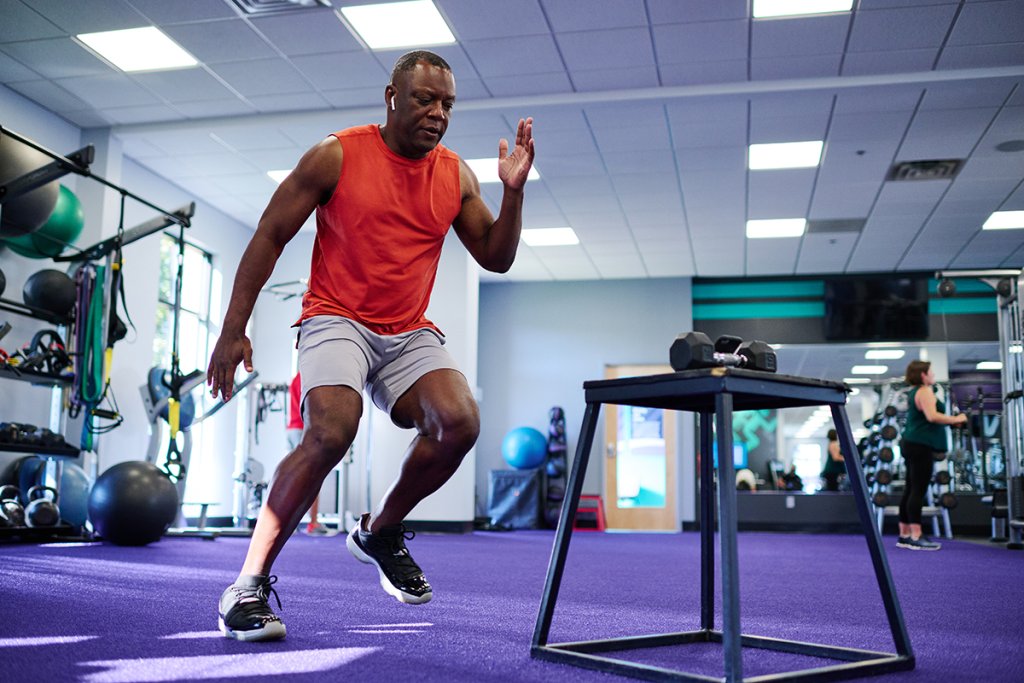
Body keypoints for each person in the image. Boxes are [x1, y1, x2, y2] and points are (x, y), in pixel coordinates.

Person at [206, 50, 535, 642]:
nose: (438, 114)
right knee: (333, 430)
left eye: (448, 105)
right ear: (391, 96)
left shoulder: (456, 174)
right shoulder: (337, 154)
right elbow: (270, 234)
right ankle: (246, 586)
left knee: (459, 423)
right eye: (425, 100)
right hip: (336, 316)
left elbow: (497, 256)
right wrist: (233, 329)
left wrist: (513, 192)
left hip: (407, 327)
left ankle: (379, 531)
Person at [896, 360, 967, 551]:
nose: (933, 375)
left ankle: (904, 535)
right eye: (930, 372)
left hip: (912, 443)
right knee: (918, 489)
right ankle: (916, 536)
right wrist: (956, 419)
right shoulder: (924, 391)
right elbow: (932, 416)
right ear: (922, 375)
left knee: (911, 488)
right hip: (920, 444)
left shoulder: (915, 392)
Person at [286, 372, 327, 535]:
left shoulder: (297, 377)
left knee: (294, 477)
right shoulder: (310, 376)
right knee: (313, 476)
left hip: (292, 429)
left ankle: (289, 522)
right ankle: (313, 523)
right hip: (303, 428)